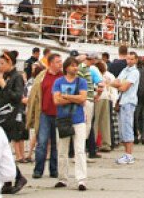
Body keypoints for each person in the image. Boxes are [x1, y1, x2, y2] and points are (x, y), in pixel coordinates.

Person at [53, 56, 88, 191]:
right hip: (63, 119)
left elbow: (83, 98)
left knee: (79, 150)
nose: (75, 68)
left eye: (76, 65)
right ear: (67, 67)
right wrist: (75, 99)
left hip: (78, 119)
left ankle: (81, 179)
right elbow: (56, 100)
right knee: (62, 150)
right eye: (73, 65)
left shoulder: (82, 81)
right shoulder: (58, 82)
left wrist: (66, 96)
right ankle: (62, 177)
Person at [0, 50, 28, 194]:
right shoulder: (6, 77)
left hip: (12, 116)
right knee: (2, 150)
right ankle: (8, 180)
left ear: (10, 63)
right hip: (2, 115)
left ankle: (17, 176)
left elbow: (17, 97)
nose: (0, 66)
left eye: (2, 63)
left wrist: (4, 86)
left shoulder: (17, 77)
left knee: (3, 149)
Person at [26, 53, 62, 179]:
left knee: (56, 144)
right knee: (41, 142)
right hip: (44, 113)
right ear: (51, 63)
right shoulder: (42, 77)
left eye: (60, 61)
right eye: (58, 62)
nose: (60, 64)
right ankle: (38, 169)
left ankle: (54, 169)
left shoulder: (63, 77)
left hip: (58, 114)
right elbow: (35, 95)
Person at [110, 51, 140, 164]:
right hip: (122, 101)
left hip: (129, 101)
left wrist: (118, 84)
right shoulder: (125, 70)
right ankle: (126, 154)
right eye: (128, 59)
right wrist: (118, 84)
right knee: (123, 128)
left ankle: (129, 154)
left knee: (127, 127)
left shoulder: (134, 72)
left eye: (132, 59)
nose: (129, 61)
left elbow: (123, 87)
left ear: (136, 60)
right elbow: (115, 82)